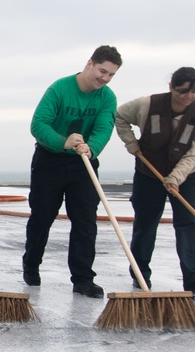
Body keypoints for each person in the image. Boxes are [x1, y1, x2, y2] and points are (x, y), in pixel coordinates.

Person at [21, 45, 122, 298]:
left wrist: (92, 148)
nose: (105, 79)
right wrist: (62, 141)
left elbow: (103, 129)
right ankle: (31, 265)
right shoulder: (60, 88)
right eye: (102, 71)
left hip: (83, 162)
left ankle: (83, 279)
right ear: (89, 63)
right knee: (42, 217)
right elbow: (38, 124)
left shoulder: (107, 97)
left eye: (111, 75)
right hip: (50, 160)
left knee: (86, 221)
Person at [114, 67, 195, 297]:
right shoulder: (147, 105)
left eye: (194, 92)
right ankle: (140, 274)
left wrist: (175, 178)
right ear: (171, 87)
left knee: (189, 224)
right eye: (182, 91)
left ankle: (194, 279)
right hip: (148, 174)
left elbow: (194, 154)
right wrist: (131, 144)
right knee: (146, 224)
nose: (188, 97)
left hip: (187, 176)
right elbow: (119, 116)